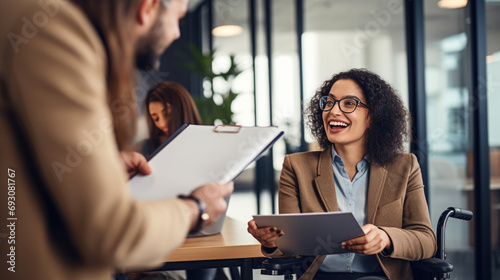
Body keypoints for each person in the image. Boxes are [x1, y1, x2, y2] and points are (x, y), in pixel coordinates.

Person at [0, 1, 232, 280]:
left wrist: (100, 166)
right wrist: (196, 208)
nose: (177, 34)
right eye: (177, 18)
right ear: (148, 7)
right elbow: (111, 232)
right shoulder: (54, 29)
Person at [247, 69, 437, 280]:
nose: (334, 111)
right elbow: (292, 247)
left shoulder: (405, 166)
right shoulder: (296, 167)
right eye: (329, 102)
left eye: (349, 103)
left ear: (373, 116)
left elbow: (426, 241)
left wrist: (385, 238)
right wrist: (271, 242)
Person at [140, 81, 202, 158]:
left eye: (167, 114)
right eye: (156, 119)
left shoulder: (205, 143)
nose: (162, 123)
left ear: (183, 110)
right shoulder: (145, 149)